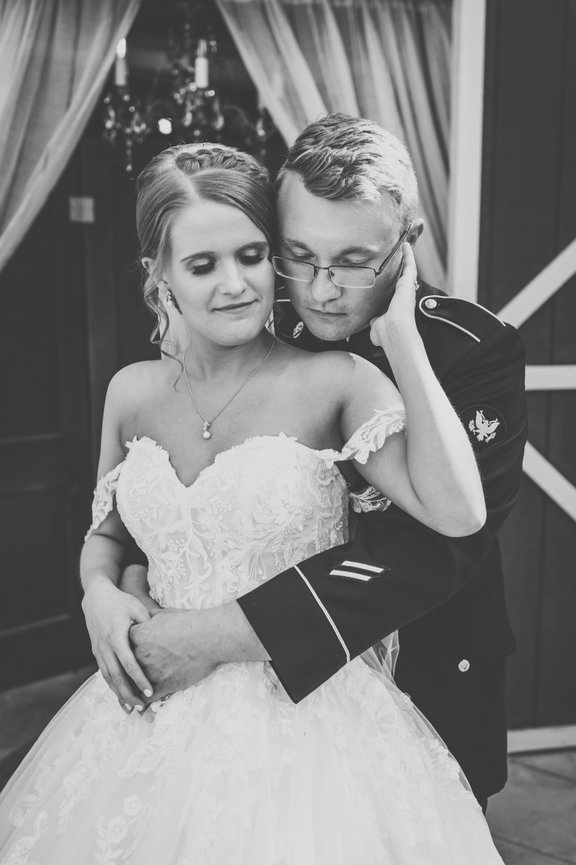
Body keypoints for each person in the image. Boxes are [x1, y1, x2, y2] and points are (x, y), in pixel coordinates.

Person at [0, 142, 506, 863]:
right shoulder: (130, 392)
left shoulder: (339, 380)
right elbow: (109, 537)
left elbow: (457, 516)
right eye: (202, 264)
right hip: (151, 712)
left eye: (252, 256)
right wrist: (98, 595)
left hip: (309, 720)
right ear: (160, 275)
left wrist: (398, 334)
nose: (234, 284)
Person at [116, 115, 528, 811]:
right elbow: (173, 474)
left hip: (430, 673)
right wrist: (111, 585)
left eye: (353, 261)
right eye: (298, 254)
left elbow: (438, 549)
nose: (320, 289)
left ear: (407, 243)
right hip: (248, 710)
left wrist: (214, 635)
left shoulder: (473, 351)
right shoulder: (248, 319)